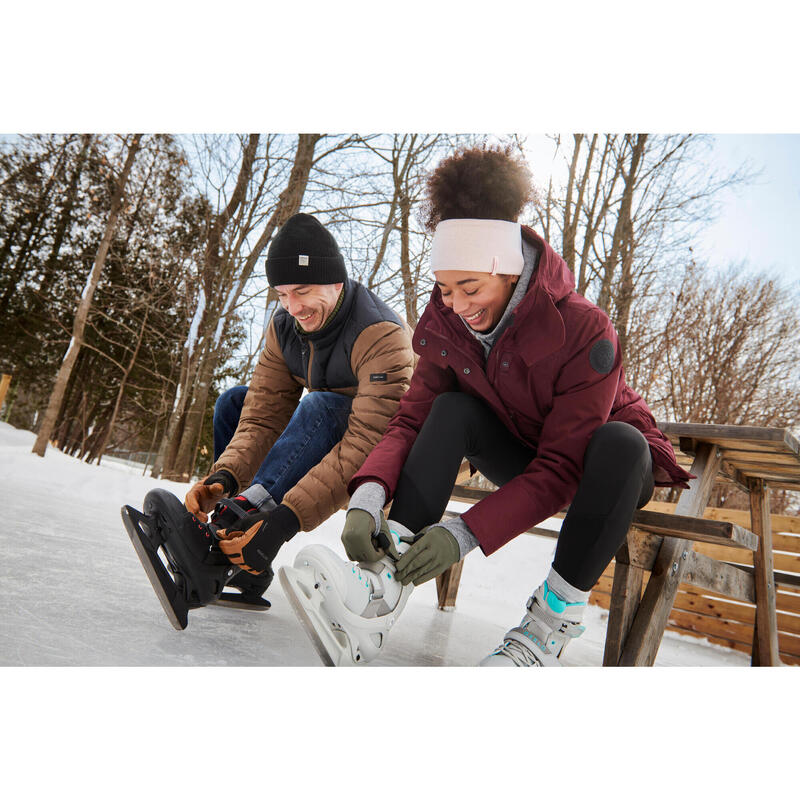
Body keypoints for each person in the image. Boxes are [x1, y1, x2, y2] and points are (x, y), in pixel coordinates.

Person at [279, 147, 692, 666]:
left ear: (508, 270)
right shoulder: (447, 321)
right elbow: (412, 418)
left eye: (470, 288)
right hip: (521, 446)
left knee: (621, 443)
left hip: (602, 469)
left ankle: (547, 626)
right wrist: (368, 492)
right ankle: (382, 586)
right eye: (445, 289)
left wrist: (465, 532)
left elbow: (563, 464)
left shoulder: (585, 329)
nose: (456, 305)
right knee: (449, 409)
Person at [125, 213, 414, 628]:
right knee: (233, 404)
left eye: (303, 291)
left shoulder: (380, 333)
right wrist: (223, 476)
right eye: (282, 294)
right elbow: (262, 415)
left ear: (336, 282)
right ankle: (244, 557)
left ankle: (239, 524)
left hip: (395, 445)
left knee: (321, 407)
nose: (293, 307)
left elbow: (369, 440)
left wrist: (283, 521)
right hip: (331, 429)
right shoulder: (283, 328)